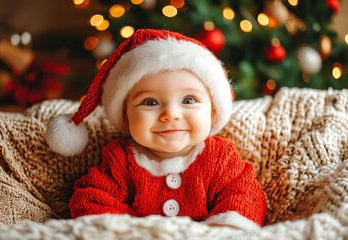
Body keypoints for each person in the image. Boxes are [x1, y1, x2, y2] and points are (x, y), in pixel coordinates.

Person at [45, 29, 267, 231]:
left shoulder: (220, 157)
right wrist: (125, 232)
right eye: (150, 102)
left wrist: (223, 231)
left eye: (188, 100)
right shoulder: (120, 159)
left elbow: (245, 194)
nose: (170, 114)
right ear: (126, 116)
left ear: (212, 111)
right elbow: (91, 198)